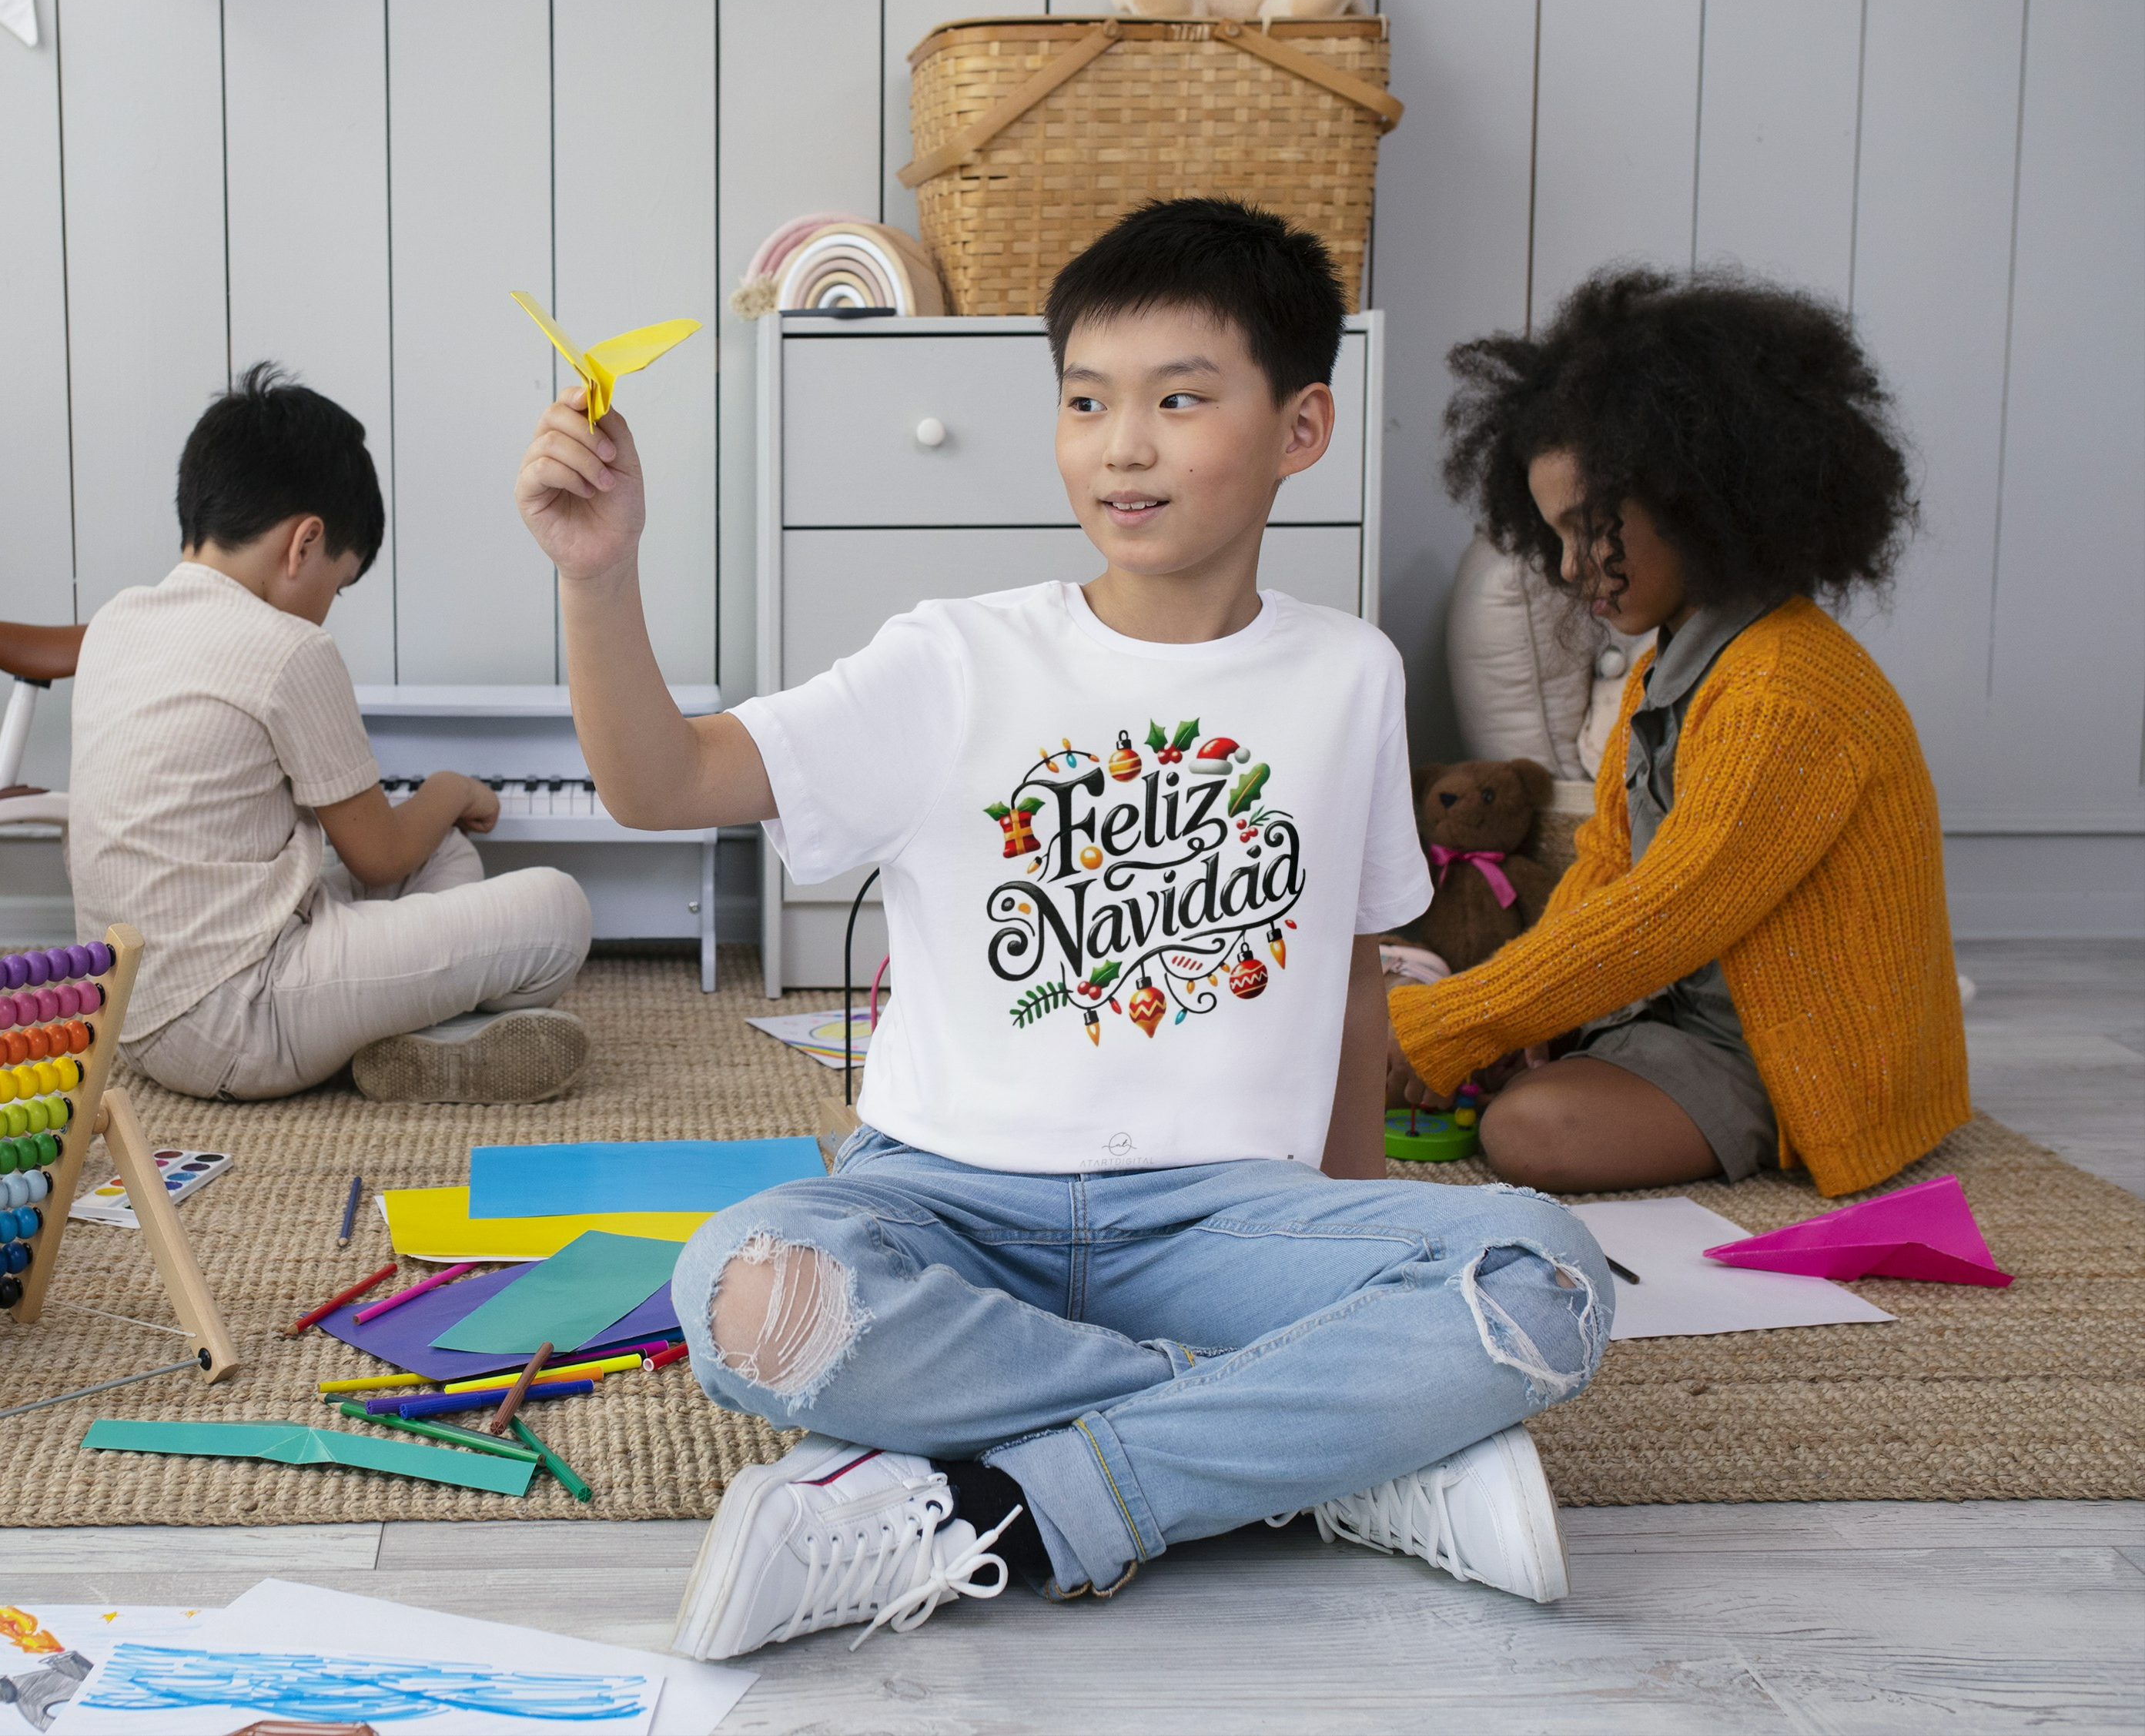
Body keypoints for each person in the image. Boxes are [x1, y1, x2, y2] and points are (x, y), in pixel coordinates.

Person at [517, 198, 1610, 1661]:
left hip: (1230, 1213)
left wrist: (1351, 1239)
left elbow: (1349, 990)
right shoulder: (953, 658)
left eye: (1177, 399)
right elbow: (658, 782)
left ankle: (1008, 1505)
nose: (1122, 446)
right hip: (947, 1204)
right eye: (1085, 401)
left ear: (1301, 429)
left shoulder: (1347, 676)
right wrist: (598, 574)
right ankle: (1309, 1443)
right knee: (742, 1289)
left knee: (1544, 1280)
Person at [1388, 266, 1969, 1199]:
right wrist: (1524, 1012)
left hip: (1788, 1052)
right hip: (1684, 1009)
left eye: (1589, 528)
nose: (1574, 567)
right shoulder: (1677, 665)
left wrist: (1462, 1017)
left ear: (1696, 495)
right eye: (1555, 538)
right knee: (1516, 1066)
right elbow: (1608, 867)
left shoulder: (1783, 690)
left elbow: (1672, 908)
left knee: (1527, 1131)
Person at [69, 363, 592, 1103]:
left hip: (123, 1010)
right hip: (239, 1015)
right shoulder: (286, 648)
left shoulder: (119, 622)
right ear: (304, 543)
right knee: (558, 911)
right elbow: (377, 855)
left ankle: (409, 1037)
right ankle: (415, 1034)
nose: (327, 607)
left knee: (439, 857)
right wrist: (449, 788)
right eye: (337, 584)